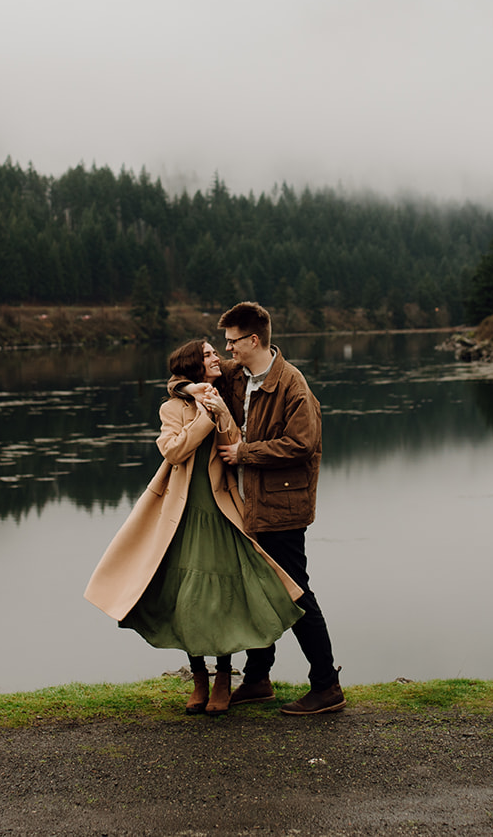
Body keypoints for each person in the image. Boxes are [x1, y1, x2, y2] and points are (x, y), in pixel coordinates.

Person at [85, 338, 305, 715]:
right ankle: (199, 677)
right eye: (207, 355)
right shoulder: (172, 407)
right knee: (186, 599)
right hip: (181, 514)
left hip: (222, 510)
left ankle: (224, 677)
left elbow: (235, 447)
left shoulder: (223, 397)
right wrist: (203, 413)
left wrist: (221, 415)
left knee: (222, 598)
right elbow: (174, 450)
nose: (216, 357)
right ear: (193, 365)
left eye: (216, 352)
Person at [215, 301, 345, 715]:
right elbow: (190, 376)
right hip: (250, 503)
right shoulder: (238, 376)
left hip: (283, 507)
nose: (228, 350)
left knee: (295, 594)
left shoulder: (293, 386)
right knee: (258, 589)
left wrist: (245, 453)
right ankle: (258, 679)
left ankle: (327, 686)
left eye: (233, 342)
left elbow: (301, 444)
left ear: (254, 340)